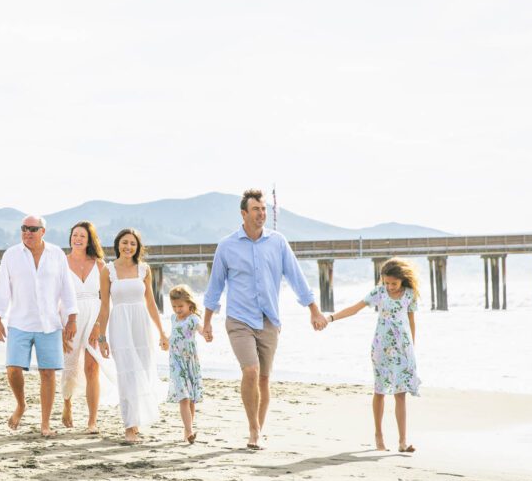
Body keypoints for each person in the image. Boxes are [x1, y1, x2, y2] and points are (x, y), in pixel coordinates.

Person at [203, 189, 328, 450]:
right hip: (239, 319)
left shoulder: (277, 242)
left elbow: (296, 277)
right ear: (244, 213)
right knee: (250, 370)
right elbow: (215, 287)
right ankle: (253, 430)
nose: (261, 214)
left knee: (263, 379)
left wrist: (313, 310)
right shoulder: (227, 246)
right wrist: (206, 322)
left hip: (269, 319)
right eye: (256, 209)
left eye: (264, 209)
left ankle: (257, 429)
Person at [0, 215, 78, 437]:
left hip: (50, 323)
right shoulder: (11, 255)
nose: (27, 232)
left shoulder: (56, 254)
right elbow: (2, 288)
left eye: (32, 229)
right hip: (19, 321)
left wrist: (72, 318)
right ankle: (21, 404)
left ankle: (45, 424)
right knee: (13, 369)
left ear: (43, 232)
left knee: (48, 373)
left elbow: (67, 288)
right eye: (24, 228)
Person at [324, 257, 420, 453]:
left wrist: (412, 348)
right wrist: (331, 318)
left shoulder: (410, 295)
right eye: (387, 282)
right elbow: (355, 308)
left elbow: (411, 322)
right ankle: (379, 436)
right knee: (380, 391)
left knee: (400, 394)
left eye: (394, 283)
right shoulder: (379, 293)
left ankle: (402, 441)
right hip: (381, 348)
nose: (390, 286)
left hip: (403, 350)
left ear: (402, 279)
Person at [95, 228, 168, 444]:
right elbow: (105, 307)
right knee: (127, 373)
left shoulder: (144, 269)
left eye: (133, 244)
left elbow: (152, 303)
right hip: (119, 324)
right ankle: (129, 426)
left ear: (138, 247)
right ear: (118, 244)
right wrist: (101, 337)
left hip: (141, 325)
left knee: (143, 371)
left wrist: (162, 332)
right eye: (125, 242)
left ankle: (137, 420)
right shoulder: (108, 271)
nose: (128, 247)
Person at [60, 221, 110, 434]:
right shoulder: (61, 262)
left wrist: (99, 325)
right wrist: (59, 327)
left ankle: (92, 421)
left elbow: (107, 298)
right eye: (75, 235)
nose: (77, 239)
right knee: (70, 368)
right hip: (70, 316)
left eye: (82, 236)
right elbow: (55, 296)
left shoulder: (99, 264)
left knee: (92, 368)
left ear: (89, 239)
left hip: (94, 316)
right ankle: (67, 405)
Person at [167, 285, 205, 444]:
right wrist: (165, 343)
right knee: (183, 397)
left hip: (190, 362)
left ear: (189, 304)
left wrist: (208, 333)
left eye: (180, 306)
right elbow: (173, 336)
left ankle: (186, 430)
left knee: (191, 399)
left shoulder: (193, 319)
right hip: (176, 362)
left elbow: (202, 331)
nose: (177, 309)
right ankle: (189, 431)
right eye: (174, 306)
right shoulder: (173, 318)